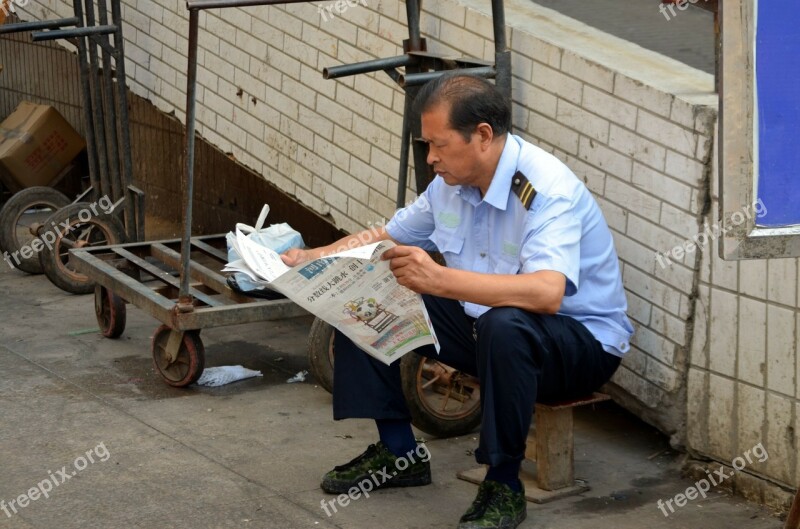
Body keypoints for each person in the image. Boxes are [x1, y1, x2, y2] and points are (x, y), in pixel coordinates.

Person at [281, 73, 633, 529]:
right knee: (368, 291)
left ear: (482, 136)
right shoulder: (450, 183)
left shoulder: (546, 190)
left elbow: (547, 293)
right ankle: (399, 454)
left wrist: (440, 280)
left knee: (505, 325)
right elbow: (385, 236)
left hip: (577, 346)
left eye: (438, 145)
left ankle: (503, 486)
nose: (430, 159)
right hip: (485, 325)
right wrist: (311, 257)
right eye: (427, 145)